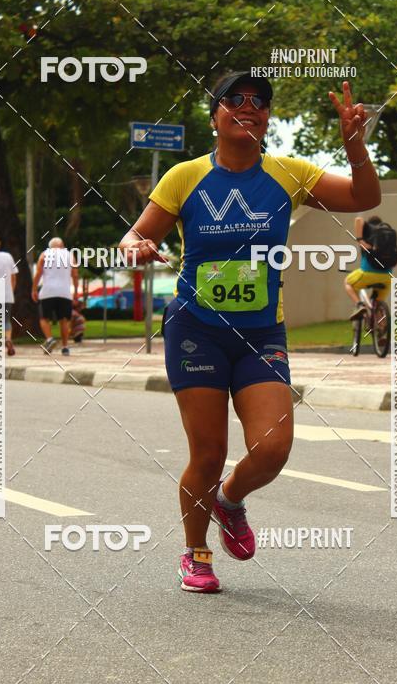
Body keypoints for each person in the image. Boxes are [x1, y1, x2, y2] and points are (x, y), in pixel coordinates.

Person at [119, 72, 381, 593]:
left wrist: (354, 147)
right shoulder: (184, 176)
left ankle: (229, 500)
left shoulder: (288, 173)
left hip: (262, 333)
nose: (248, 106)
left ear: (267, 117)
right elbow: (135, 234)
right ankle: (195, 552)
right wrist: (134, 247)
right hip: (197, 329)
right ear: (214, 114)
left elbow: (362, 197)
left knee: (273, 448)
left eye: (259, 101)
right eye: (234, 99)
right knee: (208, 452)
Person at [32, 237, 79, 355]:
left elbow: (38, 273)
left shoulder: (44, 254)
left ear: (50, 246)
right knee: (64, 320)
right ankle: (65, 347)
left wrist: (34, 289)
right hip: (65, 293)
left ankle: (49, 339)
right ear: (62, 244)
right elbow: (75, 274)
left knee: (44, 318)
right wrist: (76, 292)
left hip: (47, 292)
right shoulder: (70, 255)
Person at [344, 215, 396, 319]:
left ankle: (359, 305)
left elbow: (358, 219)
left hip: (367, 273)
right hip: (387, 277)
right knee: (378, 305)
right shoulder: (386, 238)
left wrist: (360, 240)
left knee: (347, 282)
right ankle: (382, 331)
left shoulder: (368, 232)